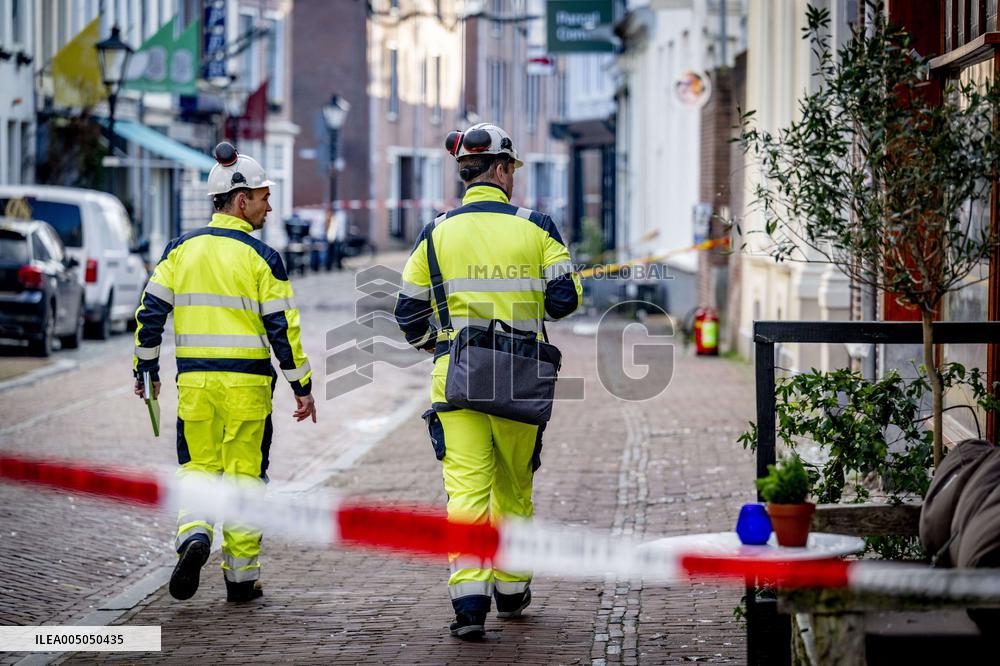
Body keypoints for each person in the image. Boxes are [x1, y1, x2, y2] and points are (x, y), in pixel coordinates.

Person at [394, 123, 582, 639]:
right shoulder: (538, 226)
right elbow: (564, 303)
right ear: (500, 170)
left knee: (466, 493)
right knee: (514, 489)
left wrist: (438, 348)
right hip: (521, 378)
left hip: (456, 380)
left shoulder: (436, 231)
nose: (513, 179)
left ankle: (470, 605)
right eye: (512, 170)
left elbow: (407, 312)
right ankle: (513, 590)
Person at [132, 142, 317, 603]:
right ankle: (240, 579)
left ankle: (194, 534)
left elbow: (150, 311)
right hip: (248, 388)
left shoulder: (180, 250)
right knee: (245, 480)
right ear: (240, 201)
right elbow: (283, 330)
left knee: (197, 469)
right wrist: (303, 387)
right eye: (263, 197)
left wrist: (146, 366)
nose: (269, 206)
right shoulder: (263, 258)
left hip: (194, 384)